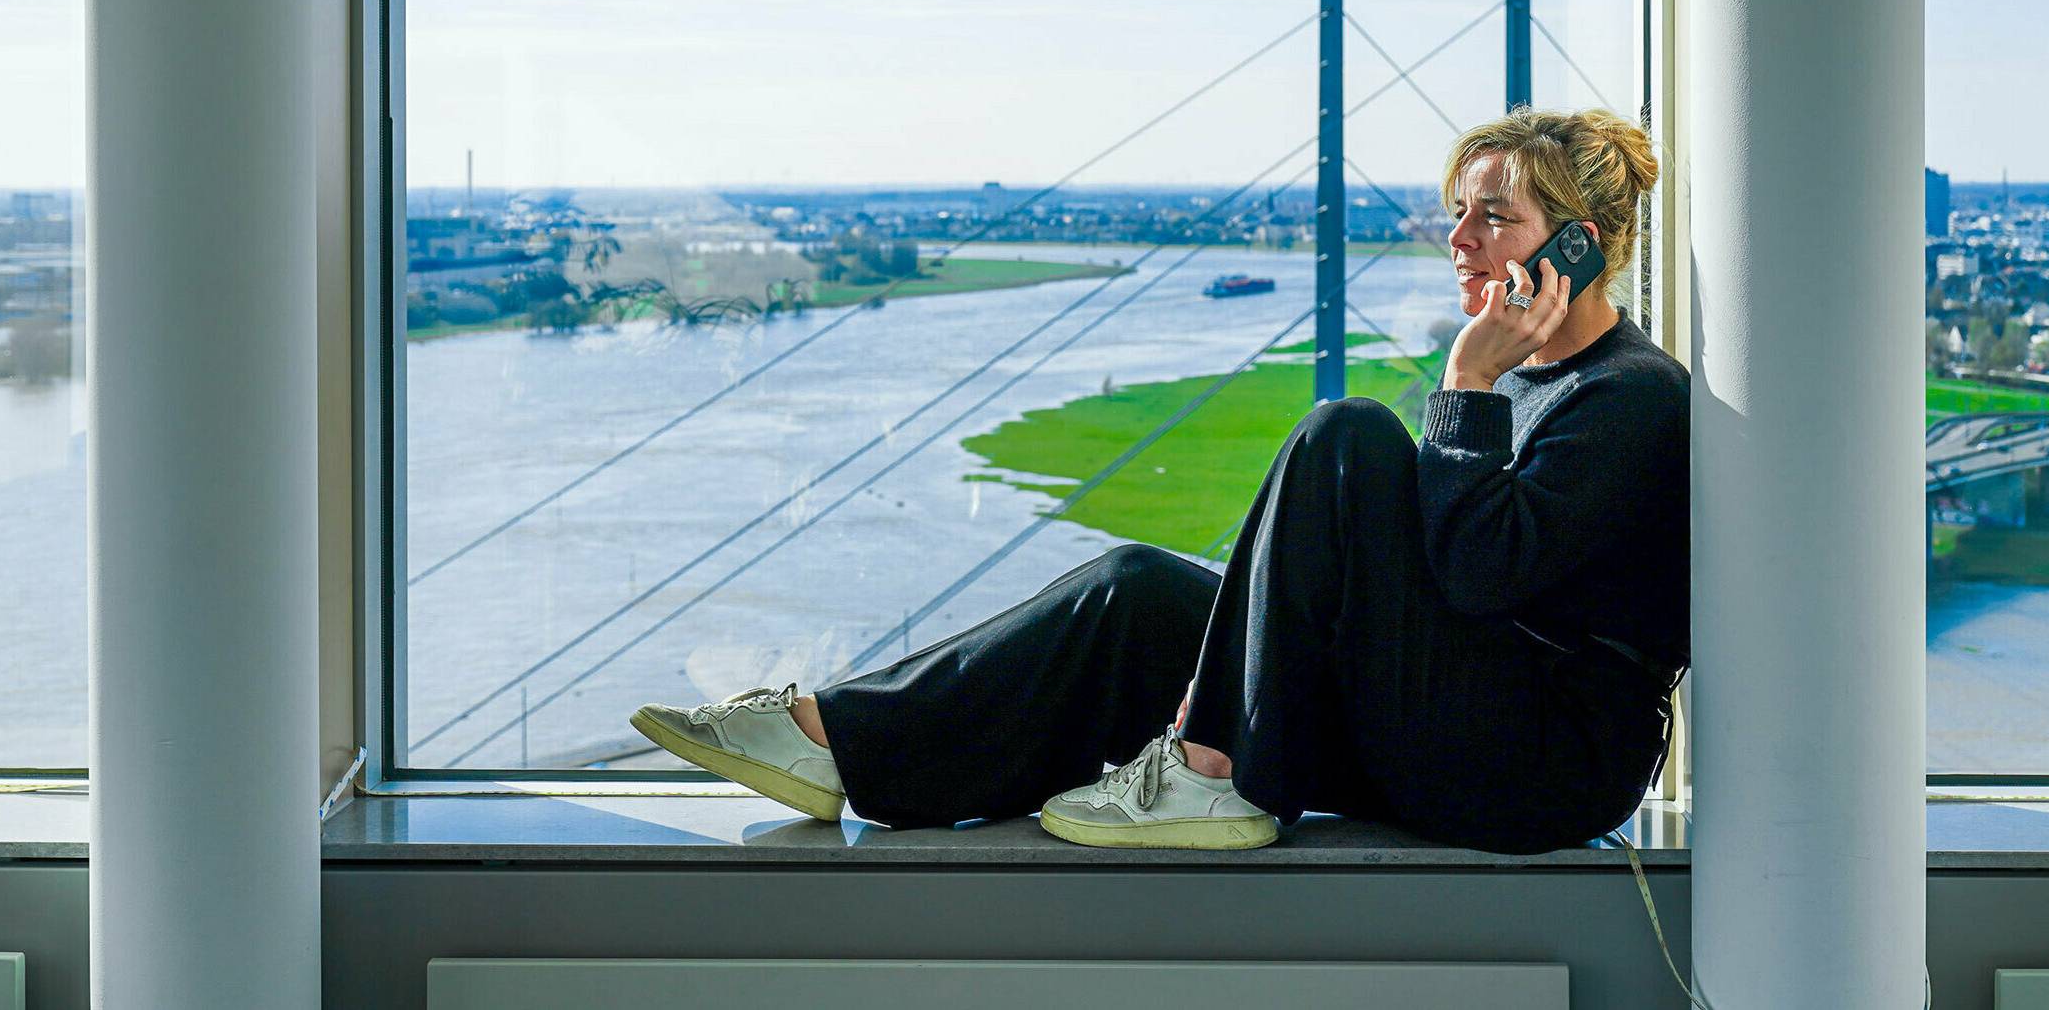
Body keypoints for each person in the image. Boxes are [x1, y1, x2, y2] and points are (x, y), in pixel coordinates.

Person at [630, 107, 1690, 855]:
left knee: (1350, 435)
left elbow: (1473, 575)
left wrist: (1465, 378)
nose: (1456, 239)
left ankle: (1214, 772)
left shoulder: (1631, 398)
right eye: (1456, 212)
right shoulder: (1534, 379)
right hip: (1457, 716)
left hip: (1535, 764)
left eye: (1491, 218)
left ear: (1578, 249)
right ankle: (844, 745)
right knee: (1136, 590)